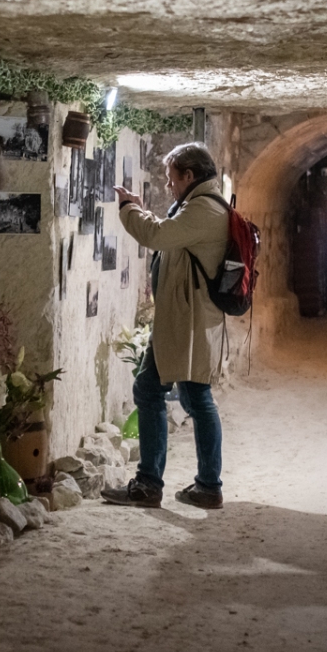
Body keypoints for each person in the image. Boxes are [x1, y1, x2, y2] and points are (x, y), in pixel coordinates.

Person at [102, 143, 229, 509]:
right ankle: (197, 485)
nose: (168, 185)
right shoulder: (199, 205)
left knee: (174, 394)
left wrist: (128, 208)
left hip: (187, 321)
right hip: (183, 318)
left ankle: (161, 484)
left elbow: (157, 236)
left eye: (172, 178)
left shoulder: (204, 209)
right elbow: (170, 233)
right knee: (185, 395)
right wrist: (142, 211)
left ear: (189, 175)